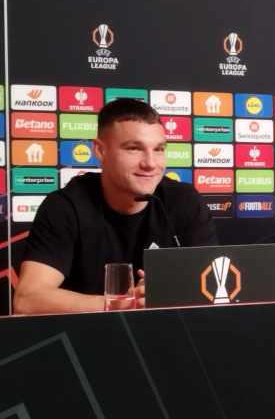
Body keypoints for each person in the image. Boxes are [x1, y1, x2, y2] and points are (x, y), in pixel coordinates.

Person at [14, 98, 218, 314]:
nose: (150, 163)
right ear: (100, 150)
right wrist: (125, 303)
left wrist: (168, 291)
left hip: (165, 335)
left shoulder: (184, 201)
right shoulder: (66, 206)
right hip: (83, 338)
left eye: (158, 149)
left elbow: (214, 287)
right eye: (133, 148)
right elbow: (27, 300)